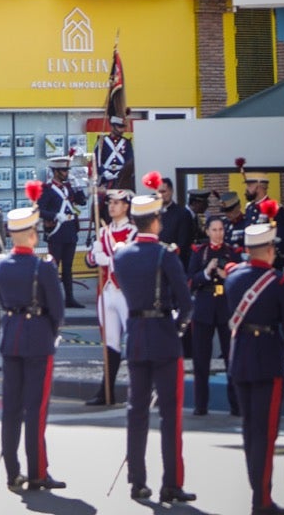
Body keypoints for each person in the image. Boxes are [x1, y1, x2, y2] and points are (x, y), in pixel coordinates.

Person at [111, 175, 196, 505]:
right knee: (170, 415)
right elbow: (186, 304)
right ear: (156, 220)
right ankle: (171, 484)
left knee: (136, 412)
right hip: (163, 335)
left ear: (134, 221)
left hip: (136, 338)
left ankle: (137, 480)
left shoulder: (122, 256)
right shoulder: (166, 256)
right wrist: (178, 327)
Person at [225, 205, 284, 515]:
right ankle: (262, 501)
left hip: (240, 359)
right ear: (268, 249)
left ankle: (258, 491)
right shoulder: (278, 283)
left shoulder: (232, 277)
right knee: (265, 435)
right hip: (268, 360)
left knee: (249, 431)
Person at [0, 188, 65, 491]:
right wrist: (51, 330)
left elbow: (0, 299)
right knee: (35, 409)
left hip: (11, 336)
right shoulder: (43, 266)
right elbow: (58, 309)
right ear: (33, 234)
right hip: (38, 338)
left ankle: (12, 472)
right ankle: (37, 472)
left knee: (11, 409)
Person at [84, 187, 137, 406]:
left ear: (126, 206)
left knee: (133, 342)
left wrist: (109, 260)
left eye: (116, 203)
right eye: (110, 203)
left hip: (125, 293)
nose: (112, 206)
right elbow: (90, 261)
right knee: (111, 343)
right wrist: (94, 254)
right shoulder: (103, 233)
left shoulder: (133, 232)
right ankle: (106, 391)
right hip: (106, 293)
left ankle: (137, 391)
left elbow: (130, 261)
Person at [188, 215, 241, 416]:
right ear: (207, 231)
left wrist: (230, 277)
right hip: (204, 308)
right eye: (214, 230)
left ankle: (236, 404)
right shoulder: (199, 252)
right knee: (201, 360)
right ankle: (201, 405)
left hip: (225, 308)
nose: (218, 233)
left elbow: (240, 280)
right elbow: (190, 280)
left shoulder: (233, 252)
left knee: (231, 358)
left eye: (221, 230)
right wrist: (207, 273)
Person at [39, 155, 86, 305]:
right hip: (56, 231)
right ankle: (50, 298)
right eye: (64, 170)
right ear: (56, 171)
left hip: (70, 230)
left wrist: (79, 187)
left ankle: (70, 298)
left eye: (67, 170)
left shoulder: (68, 187)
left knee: (68, 267)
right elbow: (39, 210)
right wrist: (54, 216)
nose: (67, 173)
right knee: (54, 266)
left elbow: (82, 202)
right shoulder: (47, 190)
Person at [242, 169, 284, 269]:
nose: (247, 188)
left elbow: (283, 240)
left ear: (259, 186)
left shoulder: (275, 207)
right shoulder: (249, 208)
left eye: (250, 185)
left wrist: (268, 255)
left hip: (269, 264)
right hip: (251, 263)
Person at [159, 175, 197, 267]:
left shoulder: (182, 214)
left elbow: (184, 244)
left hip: (175, 263)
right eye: (159, 192)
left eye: (164, 191)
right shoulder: (153, 214)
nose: (161, 195)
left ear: (171, 191)